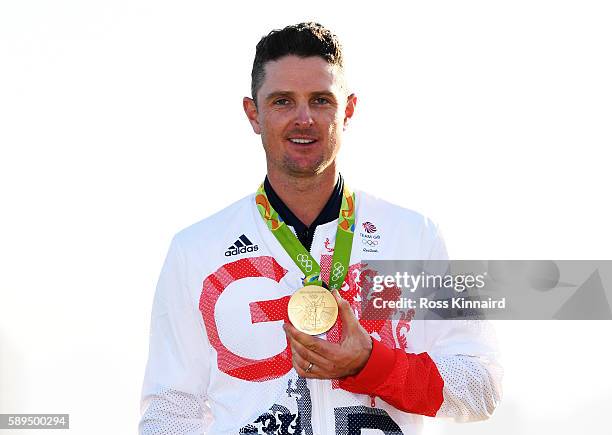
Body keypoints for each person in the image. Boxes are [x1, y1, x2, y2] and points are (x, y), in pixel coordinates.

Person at [139, 22, 503, 434]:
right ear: (253, 113)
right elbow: (169, 414)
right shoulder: (195, 249)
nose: (304, 118)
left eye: (321, 100)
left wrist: (370, 363)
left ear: (347, 109)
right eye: (282, 101)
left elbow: (480, 386)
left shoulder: (415, 236)